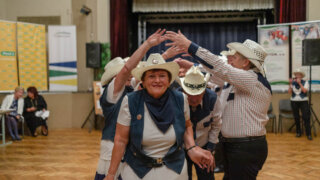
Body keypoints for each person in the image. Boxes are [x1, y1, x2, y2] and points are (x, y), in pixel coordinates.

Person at [165, 31, 272, 180]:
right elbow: (216, 77)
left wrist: (191, 47)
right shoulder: (238, 81)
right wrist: (191, 65)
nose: (230, 61)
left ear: (246, 62)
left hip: (246, 148)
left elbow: (221, 68)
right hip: (233, 146)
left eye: (234, 58)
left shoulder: (251, 79)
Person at [105, 53, 214, 180]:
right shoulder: (130, 101)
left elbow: (186, 125)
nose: (157, 80)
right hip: (137, 170)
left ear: (169, 81)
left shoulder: (181, 99)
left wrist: (191, 148)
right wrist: (110, 175)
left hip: (175, 169)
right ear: (143, 82)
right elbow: (120, 140)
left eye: (162, 76)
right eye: (151, 76)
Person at [95, 29, 178, 180]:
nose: (129, 73)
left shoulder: (129, 88)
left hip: (129, 153)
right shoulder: (112, 93)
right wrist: (147, 44)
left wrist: (164, 56)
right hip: (112, 151)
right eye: (122, 73)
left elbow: (145, 74)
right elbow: (128, 69)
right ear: (115, 77)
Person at [178, 66, 222, 180]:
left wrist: (210, 150)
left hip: (205, 147)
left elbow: (216, 125)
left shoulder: (213, 99)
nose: (193, 99)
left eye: (198, 94)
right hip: (181, 149)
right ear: (183, 90)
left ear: (205, 89)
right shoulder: (176, 98)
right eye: (190, 94)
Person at [288, 68, 312, 140]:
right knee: (296, 117)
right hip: (294, 101)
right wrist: (290, 84)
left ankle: (308, 134)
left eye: (299, 75)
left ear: (301, 76)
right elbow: (289, 92)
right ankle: (298, 132)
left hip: (303, 101)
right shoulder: (293, 83)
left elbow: (304, 91)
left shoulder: (305, 82)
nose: (297, 76)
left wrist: (299, 83)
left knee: (306, 117)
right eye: (296, 75)